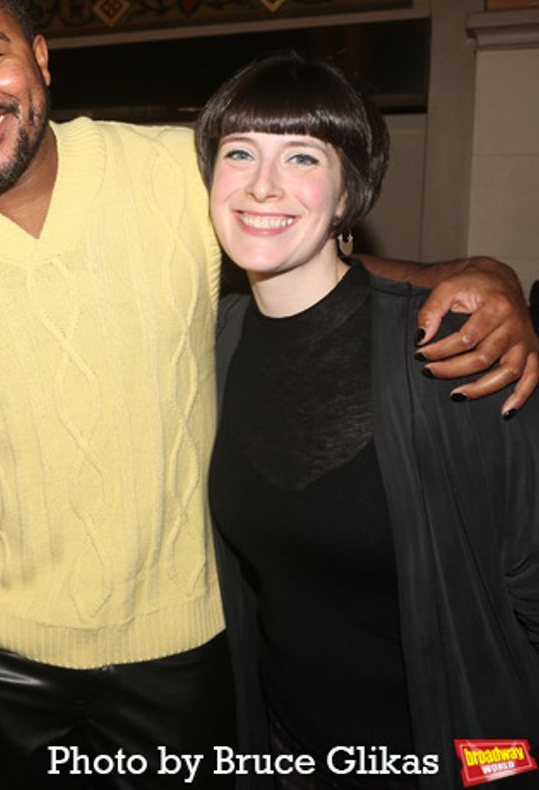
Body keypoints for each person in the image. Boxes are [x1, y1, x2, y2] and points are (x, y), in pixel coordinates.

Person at [0, 0, 539, 787]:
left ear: (41, 57)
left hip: (185, 645)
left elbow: (299, 240)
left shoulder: (174, 170)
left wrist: (476, 275)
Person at [200, 52, 539, 788]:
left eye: (301, 156)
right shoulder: (212, 344)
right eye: (239, 153)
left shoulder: (456, 348)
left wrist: (504, 766)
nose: (262, 185)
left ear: (348, 193)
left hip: (457, 758)